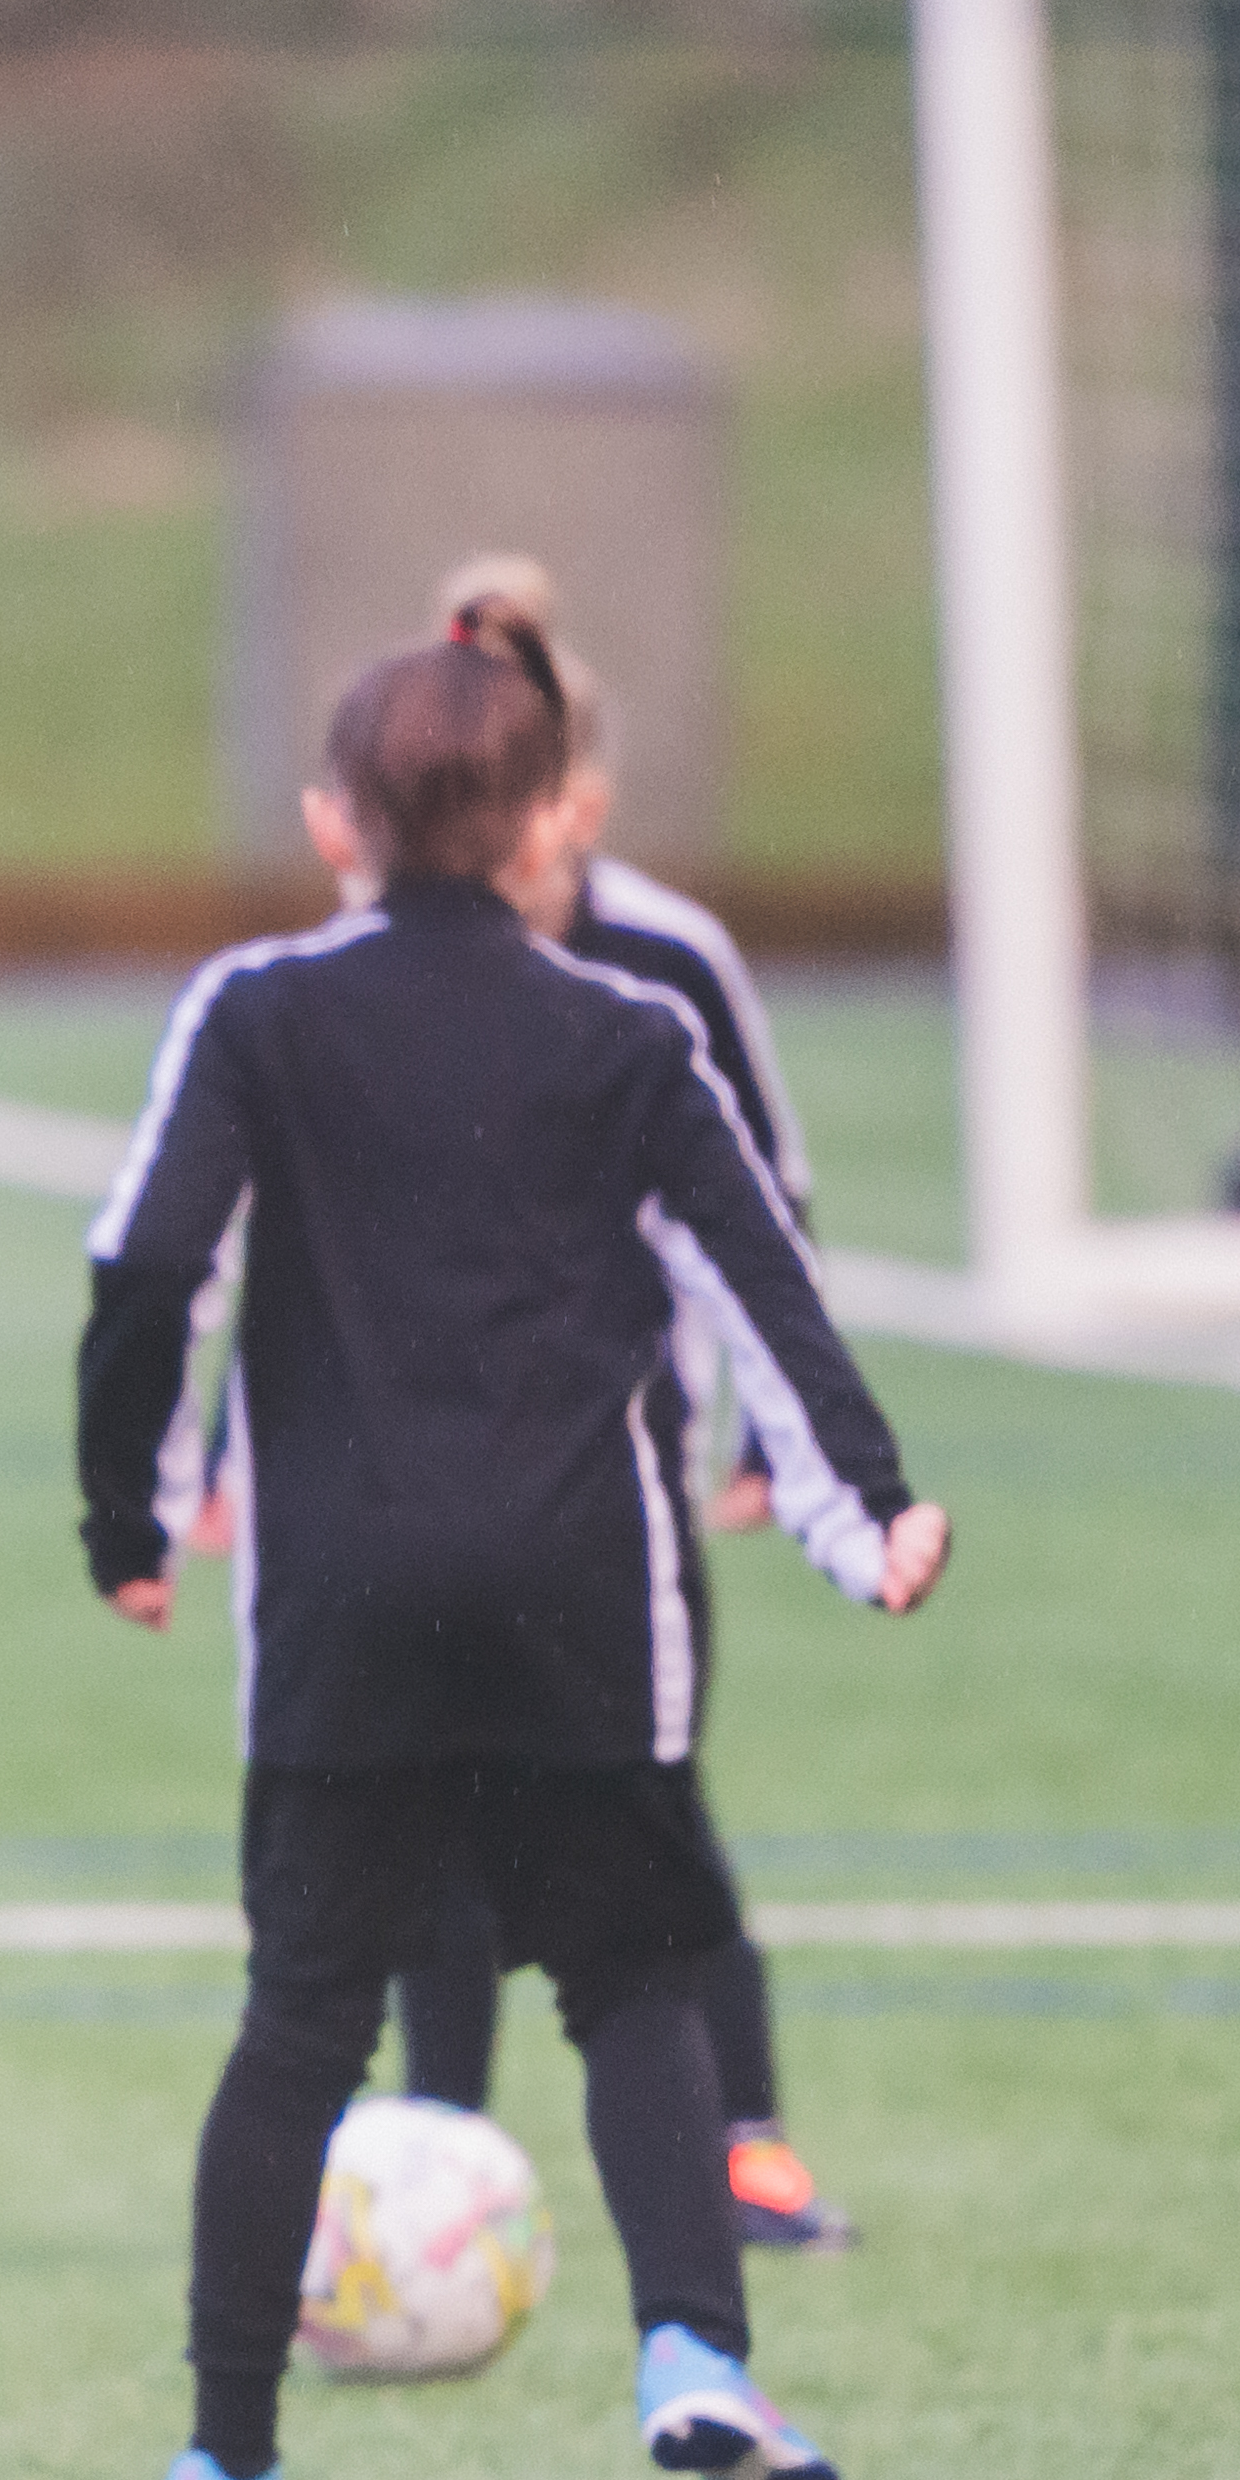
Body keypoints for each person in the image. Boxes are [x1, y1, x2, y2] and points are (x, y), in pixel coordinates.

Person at [77, 611, 950, 2480]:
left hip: (342, 1602)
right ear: (548, 824)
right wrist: (864, 1508)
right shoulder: (631, 1033)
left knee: (298, 2022)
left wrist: (123, 1517)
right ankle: (692, 2351)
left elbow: (148, 1268)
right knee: (634, 1981)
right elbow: (763, 1279)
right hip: (581, 1582)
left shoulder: (254, 1011)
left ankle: (222, 2470)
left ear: (334, 822)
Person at [370, 556, 857, 2256]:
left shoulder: (666, 959)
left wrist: (758, 1429)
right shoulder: (367, 963)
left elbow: (761, 1197)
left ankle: (743, 2144)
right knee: (423, 1803)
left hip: (611, 1456)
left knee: (641, 1798)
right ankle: (430, 2159)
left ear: (584, 798)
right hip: (411, 1457)